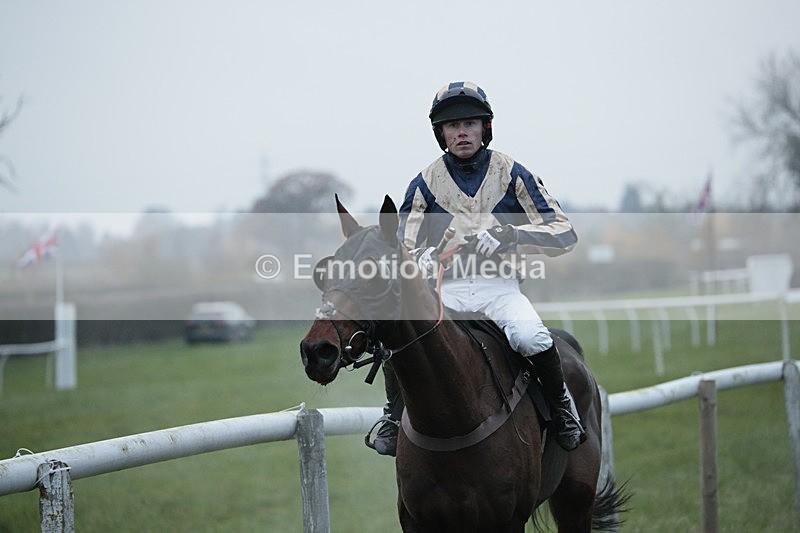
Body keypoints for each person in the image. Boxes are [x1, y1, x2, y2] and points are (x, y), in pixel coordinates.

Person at [367, 81, 586, 456]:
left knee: (531, 337)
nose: (462, 132)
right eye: (453, 126)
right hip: (446, 292)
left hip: (499, 289)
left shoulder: (513, 173)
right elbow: (402, 248)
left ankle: (563, 408)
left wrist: (510, 235)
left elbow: (564, 233)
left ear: (485, 127)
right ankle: (393, 416)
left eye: (469, 123)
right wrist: (425, 257)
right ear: (441, 133)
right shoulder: (423, 183)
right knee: (401, 335)